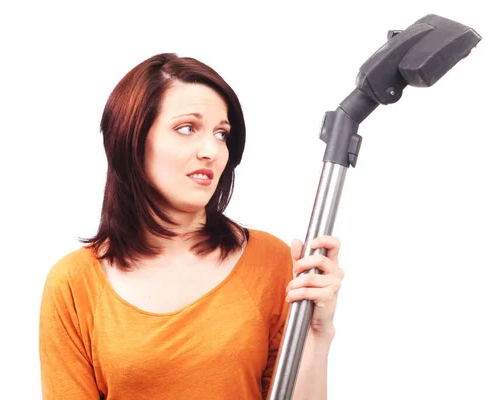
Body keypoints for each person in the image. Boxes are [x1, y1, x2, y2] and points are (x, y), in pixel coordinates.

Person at [38, 52, 345, 400]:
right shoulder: (74, 283)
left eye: (221, 133)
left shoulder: (270, 261)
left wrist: (317, 335)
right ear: (132, 139)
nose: (211, 150)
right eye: (187, 128)